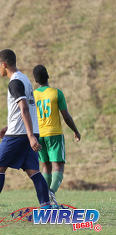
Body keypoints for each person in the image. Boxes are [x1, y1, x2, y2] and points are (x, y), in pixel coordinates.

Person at [0, 49, 51, 222]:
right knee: (33, 171)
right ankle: (46, 211)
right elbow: (23, 108)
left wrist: (29, 136)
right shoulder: (25, 79)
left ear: (4, 65)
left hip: (19, 135)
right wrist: (10, 126)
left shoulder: (14, 82)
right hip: (26, 131)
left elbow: (24, 108)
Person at [32, 64, 81, 206]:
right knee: (58, 166)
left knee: (46, 166)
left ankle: (46, 200)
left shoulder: (33, 95)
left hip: (39, 135)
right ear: (48, 76)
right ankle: (52, 192)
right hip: (54, 134)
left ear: (35, 81)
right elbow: (66, 116)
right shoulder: (56, 93)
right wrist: (75, 130)